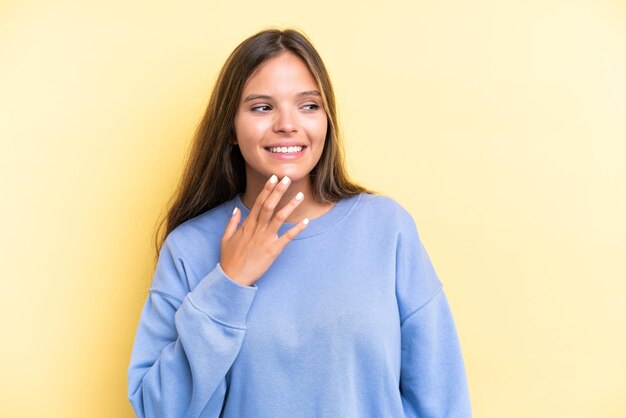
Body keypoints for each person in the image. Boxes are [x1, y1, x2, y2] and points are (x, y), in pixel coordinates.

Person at [127, 28, 472, 418]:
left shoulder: (386, 228)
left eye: (308, 106)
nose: (288, 124)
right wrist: (230, 282)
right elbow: (158, 410)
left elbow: (442, 400)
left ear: (327, 119)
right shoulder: (188, 248)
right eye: (261, 107)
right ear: (230, 129)